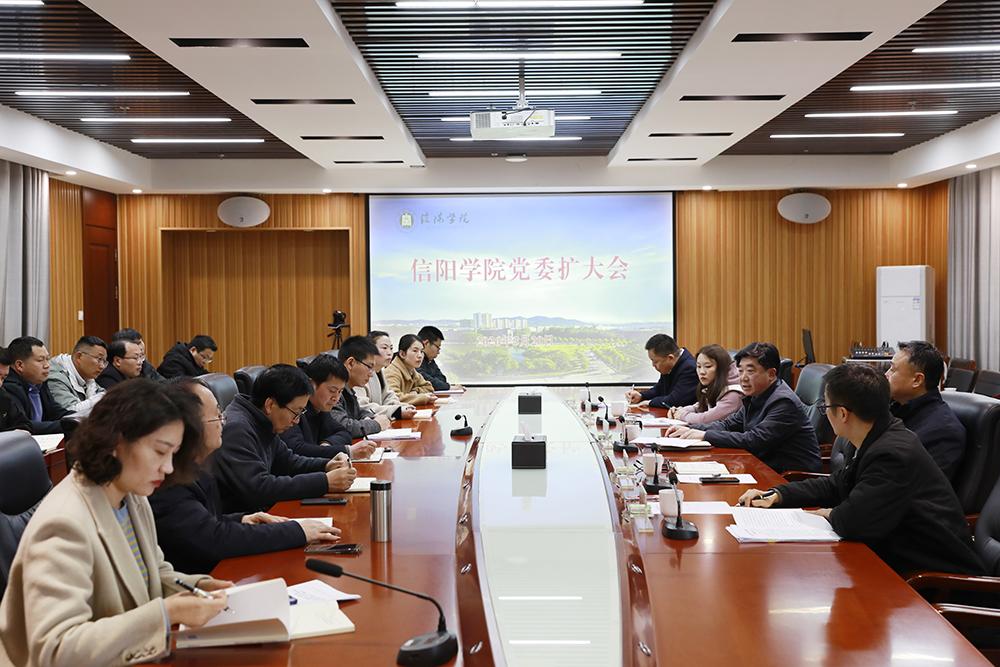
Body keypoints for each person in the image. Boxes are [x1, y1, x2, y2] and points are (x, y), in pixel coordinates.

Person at [0, 379, 231, 667]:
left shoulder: (131, 494)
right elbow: (56, 650)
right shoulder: (63, 524)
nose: (169, 467)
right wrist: (165, 613)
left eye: (173, 453)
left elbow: (154, 573)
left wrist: (201, 587)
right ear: (116, 443)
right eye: (160, 452)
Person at [738, 363, 986, 577]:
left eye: (825, 407)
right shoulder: (876, 434)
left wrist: (827, 513)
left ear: (842, 413)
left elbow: (852, 523)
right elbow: (835, 484)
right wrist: (778, 495)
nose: (826, 413)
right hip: (894, 562)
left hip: (934, 580)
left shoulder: (891, 453)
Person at [150, 378, 340, 575]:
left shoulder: (194, 465)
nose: (223, 421)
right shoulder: (166, 478)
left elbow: (202, 522)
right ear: (189, 426)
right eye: (216, 415)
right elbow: (213, 539)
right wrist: (297, 531)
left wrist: (241, 519)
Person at [213, 364, 356, 514]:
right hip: (239, 520)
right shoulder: (237, 428)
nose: (297, 421)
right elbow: (259, 488)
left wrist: (327, 465)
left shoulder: (262, 420)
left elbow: (287, 462)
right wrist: (325, 482)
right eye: (295, 412)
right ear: (270, 404)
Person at [666, 342, 821, 474]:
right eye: (740, 371)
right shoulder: (755, 395)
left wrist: (704, 435)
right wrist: (689, 430)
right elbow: (728, 425)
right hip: (762, 468)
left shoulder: (784, 402)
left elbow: (753, 440)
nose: (743, 378)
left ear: (771, 374)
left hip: (789, 478)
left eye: (750, 371)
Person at [885, 340, 966, 481]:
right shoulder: (897, 409)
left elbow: (925, 488)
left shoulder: (943, 432)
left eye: (893, 370)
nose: (886, 375)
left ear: (917, 380)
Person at [282, 354, 377, 460]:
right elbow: (297, 449)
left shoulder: (320, 408)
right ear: (311, 384)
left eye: (340, 392)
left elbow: (344, 433)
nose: (336, 398)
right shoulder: (292, 408)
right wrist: (348, 451)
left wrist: (327, 445)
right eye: (332, 391)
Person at [3, 336, 69, 434]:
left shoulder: (39, 383)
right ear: (20, 365)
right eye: (40, 360)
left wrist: (82, 419)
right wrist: (71, 425)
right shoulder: (8, 387)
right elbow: (24, 425)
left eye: (47, 359)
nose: (47, 365)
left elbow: (58, 413)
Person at [332, 336, 392, 438]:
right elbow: (343, 426)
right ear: (351, 363)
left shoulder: (349, 389)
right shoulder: (333, 389)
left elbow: (360, 412)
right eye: (369, 367)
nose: (371, 374)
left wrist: (369, 419)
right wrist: (376, 424)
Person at [667, 344, 743, 424]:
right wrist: (679, 410)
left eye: (708, 366)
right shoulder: (715, 384)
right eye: (699, 366)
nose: (702, 372)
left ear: (721, 368)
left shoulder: (734, 394)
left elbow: (707, 419)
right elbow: (700, 407)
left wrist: (683, 415)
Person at [357, 331, 418, 420]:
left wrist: (394, 402)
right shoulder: (359, 373)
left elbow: (387, 395)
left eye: (391, 348)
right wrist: (395, 411)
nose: (389, 353)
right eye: (384, 348)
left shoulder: (378, 371)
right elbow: (362, 407)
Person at [626, 334, 698, 409]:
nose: (653, 365)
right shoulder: (670, 366)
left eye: (655, 361)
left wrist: (650, 402)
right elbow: (659, 389)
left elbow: (675, 401)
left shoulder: (690, 369)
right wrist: (641, 396)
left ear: (670, 358)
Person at [47, 335, 107, 416]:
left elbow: (104, 396)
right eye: (99, 359)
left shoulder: (87, 375)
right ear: (79, 357)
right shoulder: (55, 376)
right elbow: (70, 412)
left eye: (104, 361)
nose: (102, 366)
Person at [384, 334, 436, 406]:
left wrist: (416, 391)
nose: (420, 356)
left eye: (422, 351)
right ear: (402, 354)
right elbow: (393, 398)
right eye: (415, 351)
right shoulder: (392, 372)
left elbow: (429, 388)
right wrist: (422, 398)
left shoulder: (412, 371)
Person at [417, 325, 462, 392]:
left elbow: (442, 379)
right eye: (437, 347)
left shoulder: (430, 360)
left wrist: (436, 383)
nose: (438, 352)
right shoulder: (415, 360)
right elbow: (423, 380)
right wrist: (448, 387)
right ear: (426, 344)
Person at [0, 346, 32, 433]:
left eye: (3, 378)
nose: (0, 384)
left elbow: (24, 424)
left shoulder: (3, 395)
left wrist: (15, 433)